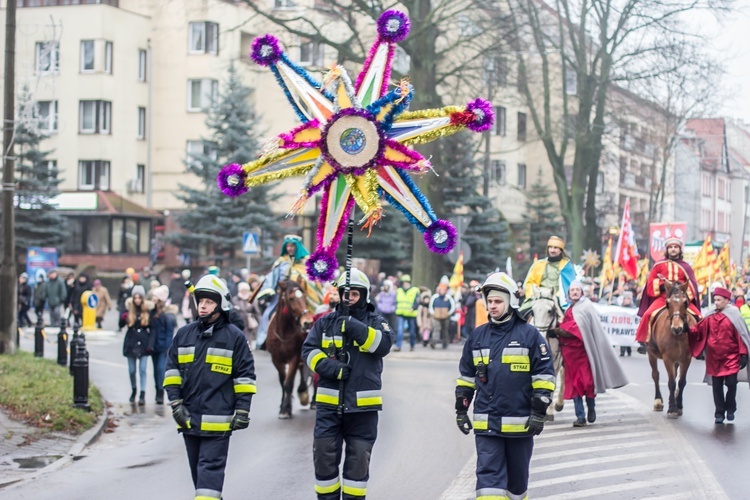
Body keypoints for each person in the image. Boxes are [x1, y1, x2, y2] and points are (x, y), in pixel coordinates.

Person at [455, 272, 555, 500]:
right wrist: (461, 409)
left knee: (517, 487)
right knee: (488, 482)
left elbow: (544, 377)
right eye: (489, 301)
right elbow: (466, 378)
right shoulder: (477, 337)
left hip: (520, 427)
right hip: (487, 425)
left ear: (511, 302)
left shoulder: (530, 336)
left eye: (498, 301)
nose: (492, 306)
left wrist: (539, 412)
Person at [302, 268, 393, 500]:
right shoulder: (325, 324)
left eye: (354, 294)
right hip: (328, 407)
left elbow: (383, 346)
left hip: (363, 410)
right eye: (346, 293)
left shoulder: (377, 321)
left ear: (364, 295)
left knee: (357, 468)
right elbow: (308, 351)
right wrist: (330, 368)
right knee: (323, 462)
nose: (349, 298)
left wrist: (354, 327)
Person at [163, 275, 256, 500]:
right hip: (189, 419)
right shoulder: (184, 334)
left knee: (209, 471)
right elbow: (171, 372)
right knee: (199, 475)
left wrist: (243, 411)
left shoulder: (234, 337)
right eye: (200, 301)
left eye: (209, 302)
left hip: (218, 420)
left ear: (220, 305)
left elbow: (245, 377)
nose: (203, 306)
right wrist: (175, 404)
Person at [549, 281, 629, 427]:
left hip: (583, 354)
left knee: (587, 384)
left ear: (581, 292)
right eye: (572, 290)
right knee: (574, 385)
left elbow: (576, 328)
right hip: (570, 356)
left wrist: (558, 331)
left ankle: (591, 407)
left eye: (577, 290)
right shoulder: (569, 309)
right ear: (568, 293)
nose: (574, 292)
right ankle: (580, 416)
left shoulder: (586, 307)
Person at [689, 287, 750, 424]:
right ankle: (719, 413)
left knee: (731, 384)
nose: (716, 303)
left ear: (727, 301)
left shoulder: (734, 315)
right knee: (717, 387)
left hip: (731, 357)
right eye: (715, 300)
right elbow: (699, 329)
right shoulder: (710, 315)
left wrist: (743, 354)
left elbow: (740, 336)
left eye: (719, 300)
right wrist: (688, 329)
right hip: (714, 358)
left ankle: (731, 408)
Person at [636, 237, 701, 354]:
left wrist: (680, 286)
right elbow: (651, 282)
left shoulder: (686, 266)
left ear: (680, 250)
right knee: (647, 314)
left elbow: (692, 284)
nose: (673, 249)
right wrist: (662, 285)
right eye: (670, 247)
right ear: (667, 250)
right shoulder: (658, 265)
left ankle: (700, 344)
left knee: (698, 316)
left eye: (675, 247)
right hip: (664, 297)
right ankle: (644, 341)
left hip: (681, 298)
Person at [256, 234, 321, 349]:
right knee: (268, 314)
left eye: (292, 246)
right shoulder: (281, 262)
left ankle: (312, 340)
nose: (290, 249)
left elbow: (313, 281)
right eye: (288, 246)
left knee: (311, 315)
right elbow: (272, 278)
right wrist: (268, 291)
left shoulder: (307, 262)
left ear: (297, 247)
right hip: (282, 296)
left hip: (300, 296)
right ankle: (265, 340)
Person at [520, 236, 577, 317]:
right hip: (537, 297)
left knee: (569, 319)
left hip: (557, 298)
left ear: (561, 250)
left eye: (555, 248)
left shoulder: (566, 266)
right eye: (550, 247)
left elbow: (570, 285)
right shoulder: (538, 264)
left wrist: (556, 296)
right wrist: (534, 295)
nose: (552, 250)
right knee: (520, 315)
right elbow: (529, 283)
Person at [120, 285, 154, 406]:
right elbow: (120, 325)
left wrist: (150, 344)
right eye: (135, 297)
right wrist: (123, 317)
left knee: (143, 370)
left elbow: (153, 329)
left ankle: (142, 393)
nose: (137, 300)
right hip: (131, 342)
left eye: (140, 297)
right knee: (132, 370)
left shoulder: (147, 311)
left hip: (144, 343)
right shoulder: (129, 310)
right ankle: (134, 389)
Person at [150, 285, 177, 405]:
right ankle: (157, 391)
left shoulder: (168, 315)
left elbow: (169, 333)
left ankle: (161, 392)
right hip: (153, 345)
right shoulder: (152, 311)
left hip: (163, 347)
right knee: (156, 370)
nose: (153, 299)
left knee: (161, 369)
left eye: (155, 297)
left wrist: (167, 347)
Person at [395, 274, 419, 351]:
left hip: (411, 313)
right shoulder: (399, 290)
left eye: (407, 282)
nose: (405, 283)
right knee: (400, 330)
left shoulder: (415, 290)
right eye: (404, 282)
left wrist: (414, 307)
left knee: (412, 332)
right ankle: (398, 346)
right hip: (401, 313)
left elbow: (417, 301)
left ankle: (412, 345)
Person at [232, 282, 260, 349]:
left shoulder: (252, 299)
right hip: (238, 323)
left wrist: (260, 322)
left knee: (248, 342)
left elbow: (257, 312)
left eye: (246, 290)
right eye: (243, 290)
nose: (244, 292)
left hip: (249, 324)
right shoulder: (235, 299)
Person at [430, 282, 456, 349]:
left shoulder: (448, 298)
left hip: (446, 316)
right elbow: (431, 306)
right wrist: (433, 313)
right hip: (436, 316)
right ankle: (434, 342)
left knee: (445, 330)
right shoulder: (434, 297)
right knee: (436, 329)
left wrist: (449, 313)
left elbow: (452, 306)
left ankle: (445, 343)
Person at [619, 290, 637, 357]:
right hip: (622, 325)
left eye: (628, 299)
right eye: (625, 299)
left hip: (629, 325)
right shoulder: (621, 306)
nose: (626, 300)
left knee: (628, 338)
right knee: (622, 338)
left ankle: (629, 350)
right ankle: (622, 352)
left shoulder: (633, 307)